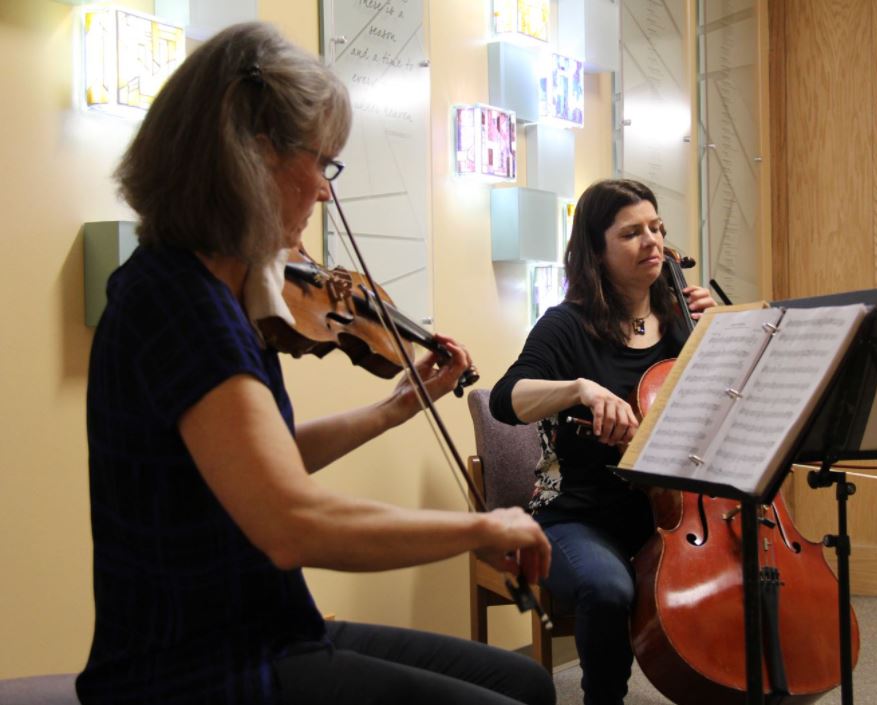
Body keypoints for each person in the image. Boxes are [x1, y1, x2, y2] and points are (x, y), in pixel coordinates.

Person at [77, 22, 554, 705]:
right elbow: (290, 522)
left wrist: (394, 408)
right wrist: (480, 526)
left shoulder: (215, 293)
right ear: (251, 156)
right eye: (322, 163)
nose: (326, 191)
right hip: (196, 666)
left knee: (527, 680)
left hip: (267, 626)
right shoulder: (178, 303)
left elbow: (264, 461)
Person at [489, 179, 716, 705]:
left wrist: (716, 334)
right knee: (607, 588)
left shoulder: (683, 322)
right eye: (631, 233)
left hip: (675, 517)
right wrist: (579, 389)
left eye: (656, 228)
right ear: (596, 250)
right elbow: (505, 398)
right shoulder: (565, 325)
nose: (652, 241)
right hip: (579, 515)